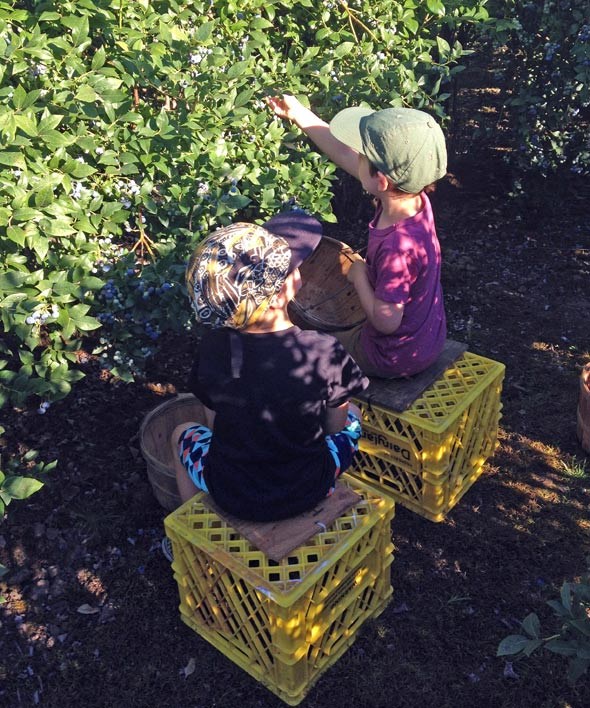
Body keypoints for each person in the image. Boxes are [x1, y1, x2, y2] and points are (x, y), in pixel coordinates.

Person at [170, 213, 369, 523]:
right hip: (309, 488)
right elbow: (334, 426)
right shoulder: (323, 350)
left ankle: (191, 528)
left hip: (230, 490)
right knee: (354, 415)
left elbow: (213, 421)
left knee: (181, 433)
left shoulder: (213, 347)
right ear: (282, 293)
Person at [267, 95, 448, 379]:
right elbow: (342, 152)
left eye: (362, 155)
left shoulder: (399, 247)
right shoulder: (410, 198)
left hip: (390, 355)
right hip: (425, 337)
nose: (355, 156)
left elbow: (387, 321)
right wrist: (300, 114)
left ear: (382, 181)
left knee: (304, 346)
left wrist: (360, 274)